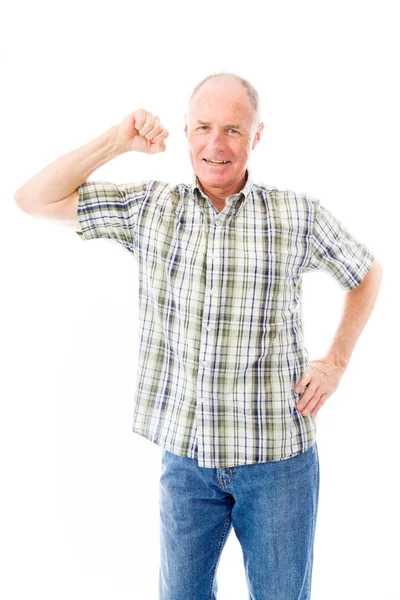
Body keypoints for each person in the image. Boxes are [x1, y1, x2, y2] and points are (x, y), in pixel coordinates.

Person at [14, 72, 383, 600]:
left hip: (278, 460)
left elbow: (365, 272)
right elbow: (33, 199)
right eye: (204, 127)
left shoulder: (295, 214)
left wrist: (337, 362)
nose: (216, 144)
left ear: (256, 136)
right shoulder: (150, 208)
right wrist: (117, 140)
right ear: (186, 131)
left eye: (233, 129)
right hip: (187, 463)